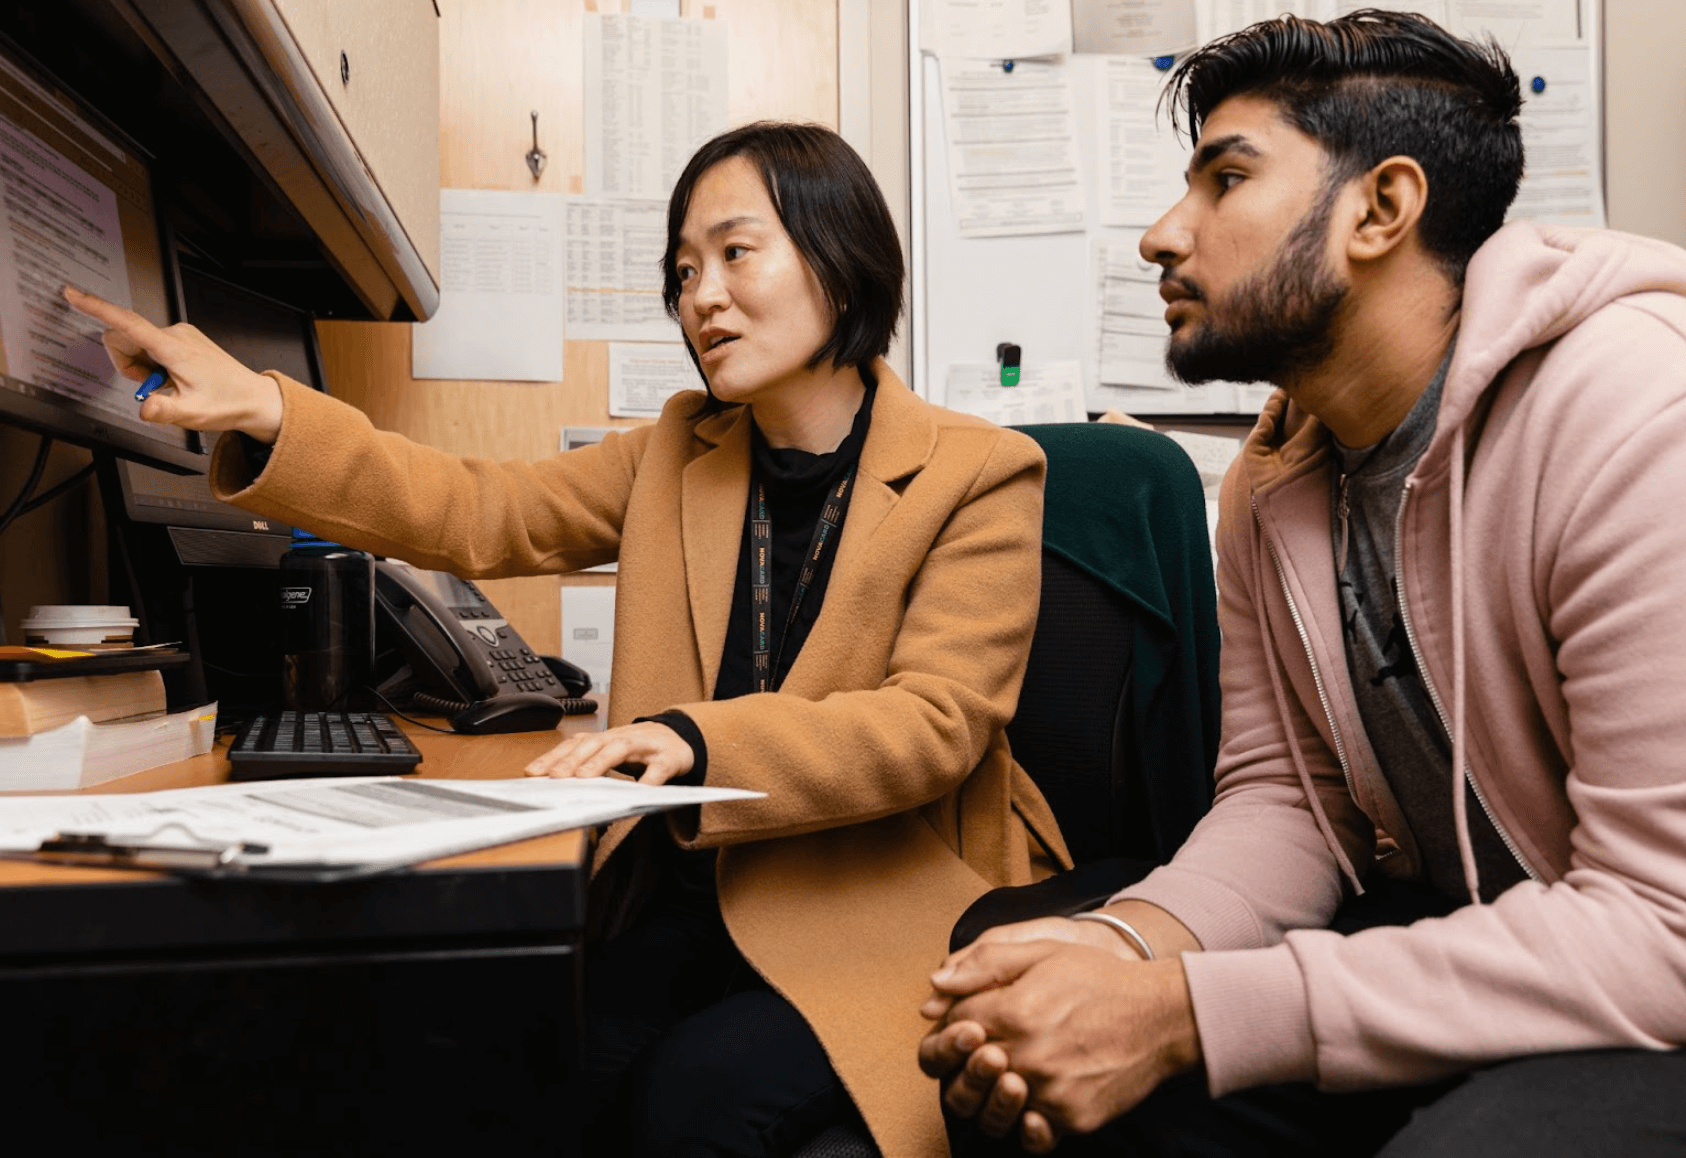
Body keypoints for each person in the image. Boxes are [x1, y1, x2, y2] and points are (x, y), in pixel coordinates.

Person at [68, 121, 1070, 1157]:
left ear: (841, 253)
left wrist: (696, 736)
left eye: (735, 252)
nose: (701, 296)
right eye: (683, 271)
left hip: (877, 893)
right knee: (502, 1054)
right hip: (696, 889)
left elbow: (934, 723)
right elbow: (478, 510)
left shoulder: (980, 472)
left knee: (695, 1102)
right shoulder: (681, 448)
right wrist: (269, 410)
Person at [919, 10, 1686, 1156]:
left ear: (1383, 208)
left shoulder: (1635, 416)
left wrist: (1185, 1013)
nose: (1160, 236)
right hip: (1479, 931)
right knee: (1026, 1041)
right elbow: (1290, 805)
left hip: (1645, 976)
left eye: (1225, 179)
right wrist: (1128, 953)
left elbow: (1660, 932)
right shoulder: (1280, 473)